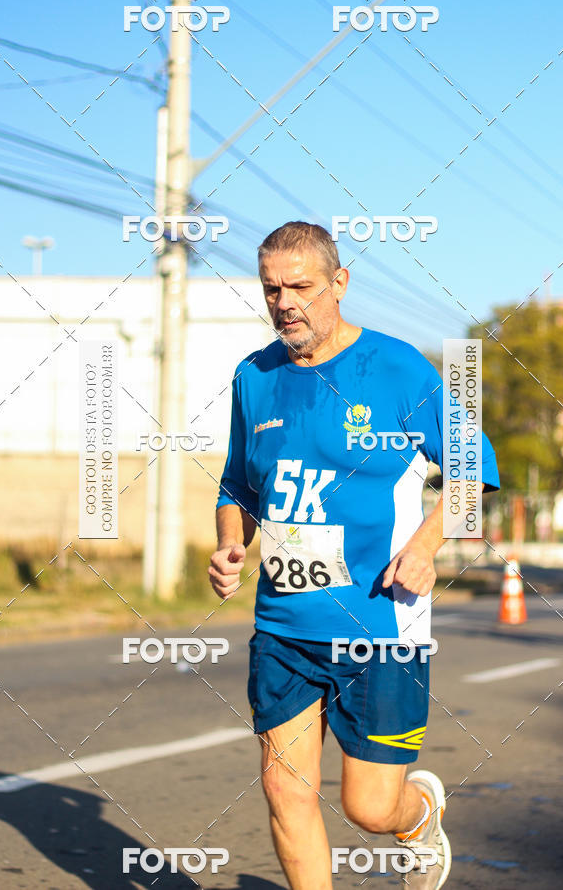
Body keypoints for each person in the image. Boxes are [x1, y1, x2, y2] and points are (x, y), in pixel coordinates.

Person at [209, 222, 499, 889]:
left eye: (301, 287)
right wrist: (230, 542)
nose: (285, 303)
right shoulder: (254, 377)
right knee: (285, 791)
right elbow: (238, 487)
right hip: (284, 626)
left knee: (370, 809)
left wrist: (425, 546)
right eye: (272, 289)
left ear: (339, 283)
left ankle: (418, 815)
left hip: (380, 622)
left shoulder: (395, 368)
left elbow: (473, 464)